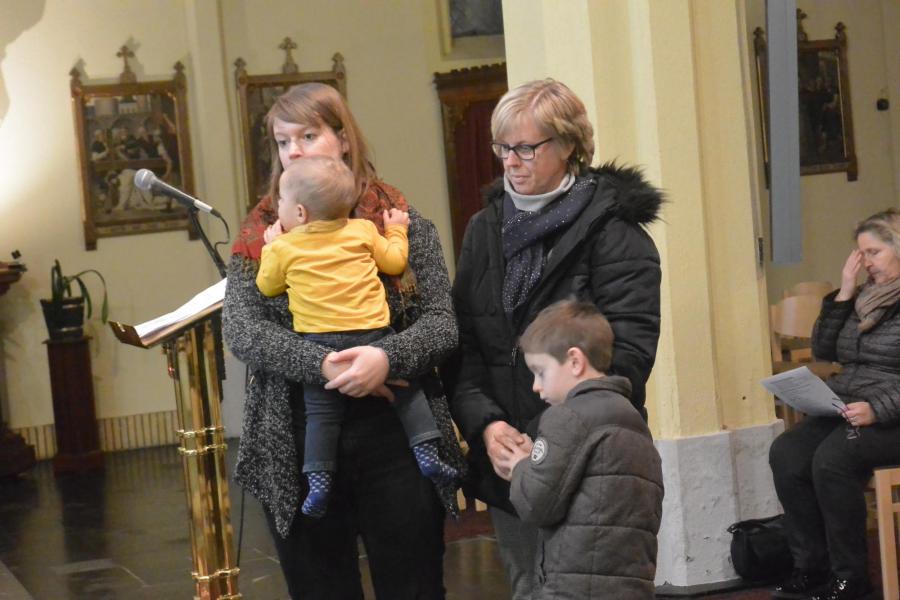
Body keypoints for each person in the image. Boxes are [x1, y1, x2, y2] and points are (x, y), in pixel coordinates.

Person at [223, 82, 465, 600]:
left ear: (344, 139)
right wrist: (325, 365)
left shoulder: (398, 222)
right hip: (295, 434)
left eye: (308, 136)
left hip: (397, 434)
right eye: (283, 142)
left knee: (414, 587)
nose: (294, 152)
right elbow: (242, 329)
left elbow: (442, 323)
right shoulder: (263, 234)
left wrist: (385, 357)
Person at [446, 78, 664, 599]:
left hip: (591, 458)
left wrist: (549, 439)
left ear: (568, 145)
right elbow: (465, 343)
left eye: (526, 148)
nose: (510, 161)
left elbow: (627, 358)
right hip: (507, 453)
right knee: (529, 587)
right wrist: (488, 425)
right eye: (502, 147)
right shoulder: (483, 229)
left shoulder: (616, 233)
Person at [255, 155, 457, 518]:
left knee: (321, 414)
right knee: (407, 392)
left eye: (280, 201)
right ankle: (427, 454)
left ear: (299, 213)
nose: (276, 206)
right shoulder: (363, 230)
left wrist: (271, 246)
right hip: (372, 333)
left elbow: (267, 286)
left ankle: (318, 481)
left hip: (321, 345)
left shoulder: (285, 247)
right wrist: (396, 230)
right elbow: (395, 262)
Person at [769, 208, 900, 600]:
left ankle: (851, 577)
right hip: (850, 405)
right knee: (788, 452)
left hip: (890, 416)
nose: (866, 263)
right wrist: (843, 293)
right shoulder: (861, 299)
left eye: (874, 252)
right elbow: (824, 350)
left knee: (832, 459)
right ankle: (812, 567)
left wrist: (877, 409)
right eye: (861, 254)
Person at [495, 300, 664, 599]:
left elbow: (535, 503)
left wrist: (521, 465)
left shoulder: (565, 417)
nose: (535, 386)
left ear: (575, 361)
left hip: (573, 588)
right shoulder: (633, 419)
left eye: (540, 372)